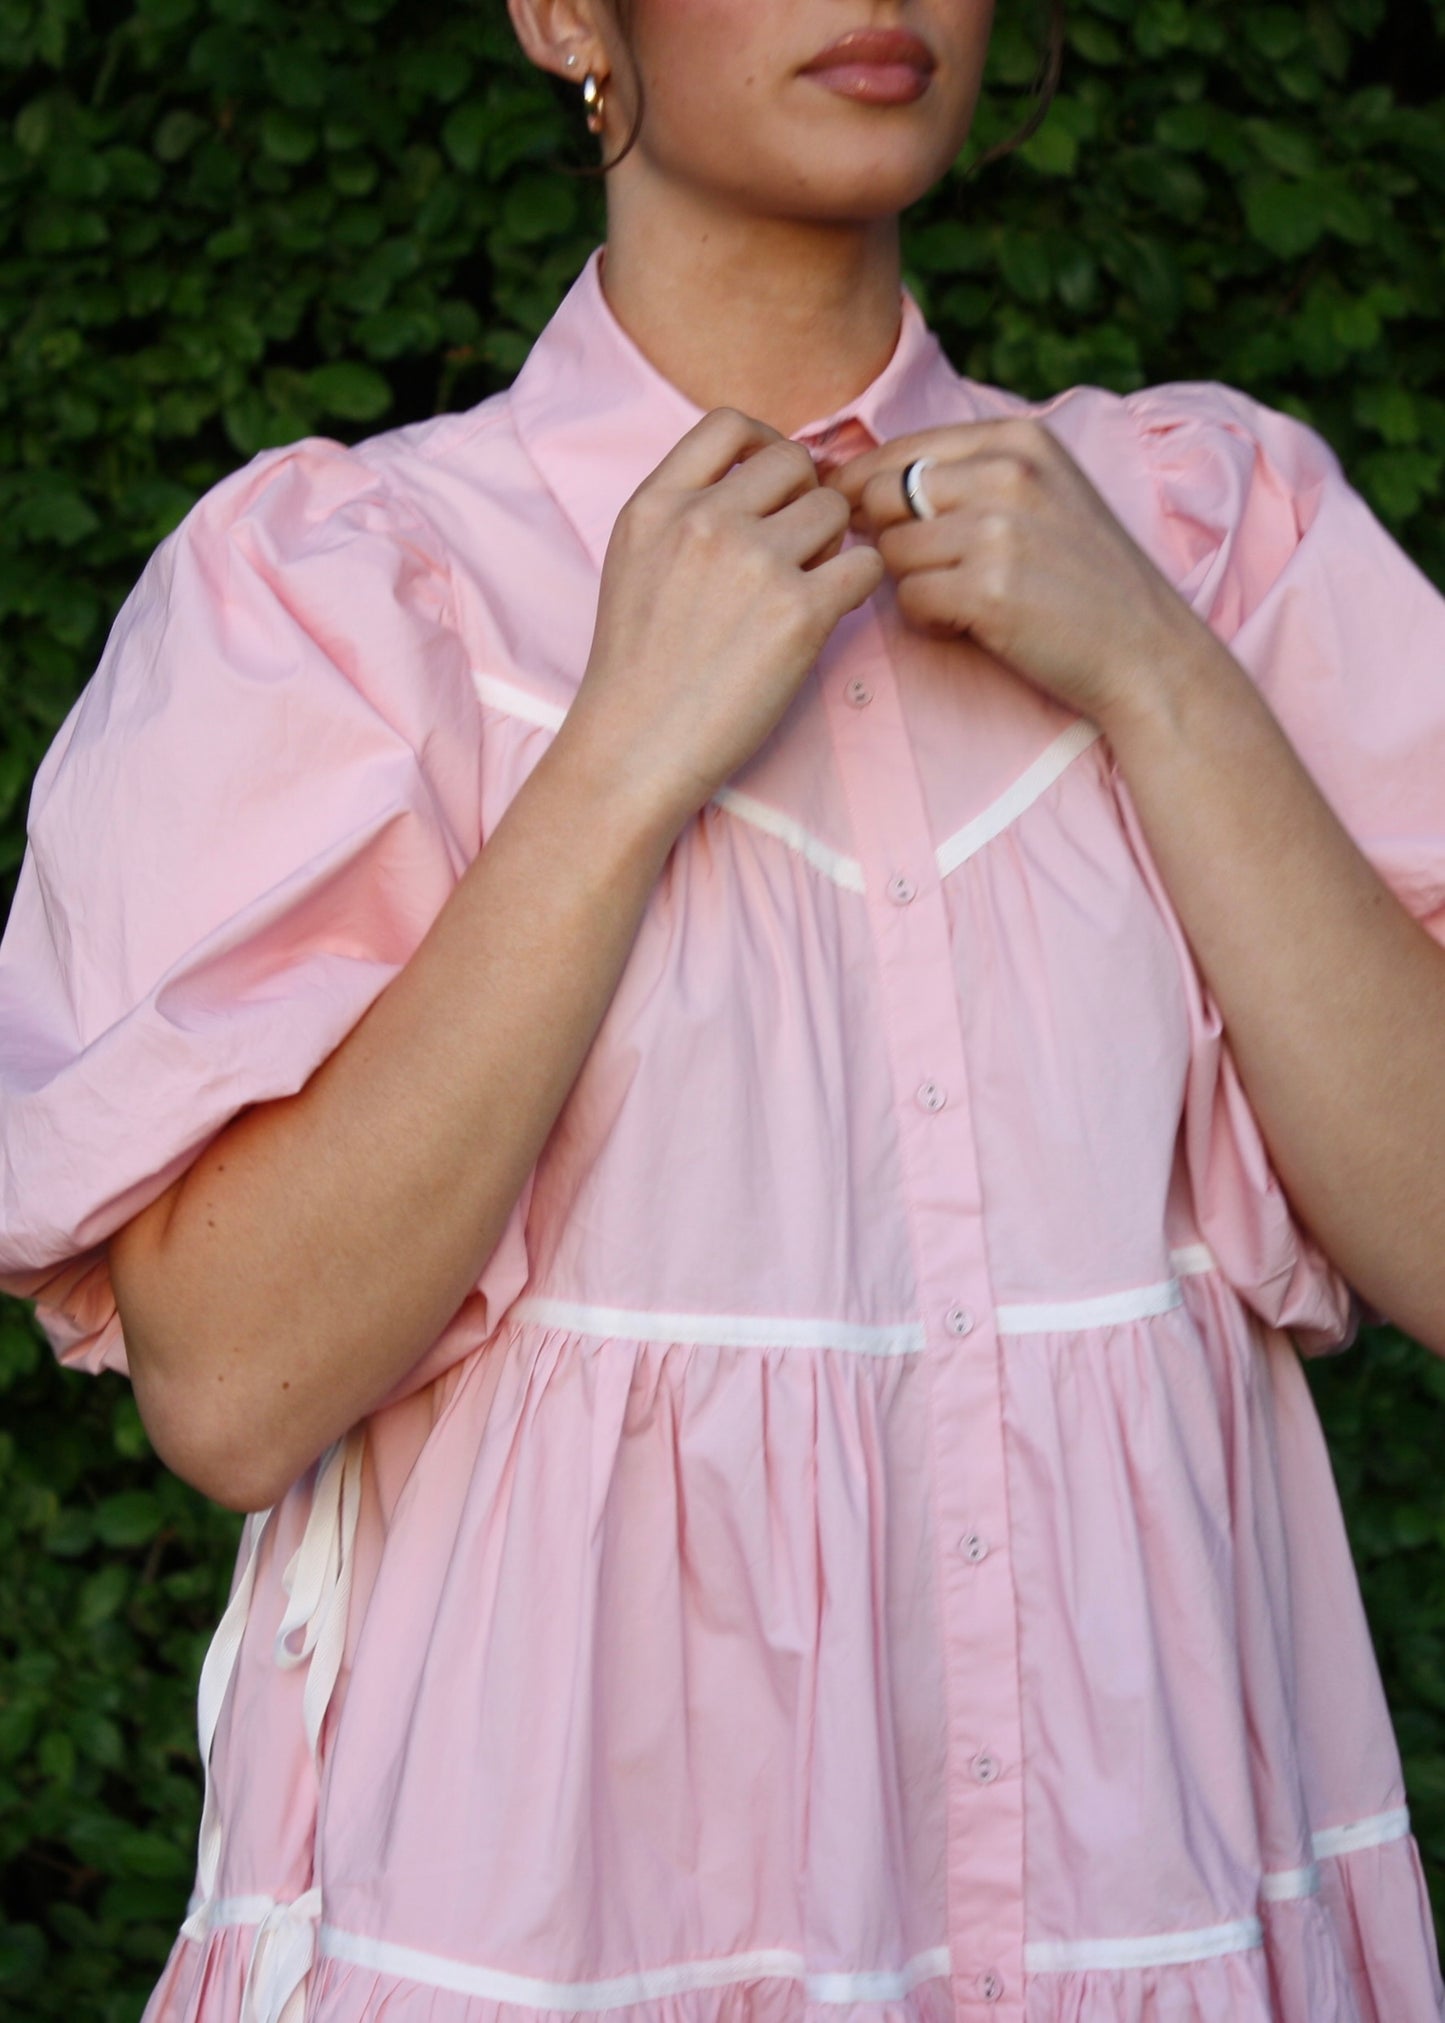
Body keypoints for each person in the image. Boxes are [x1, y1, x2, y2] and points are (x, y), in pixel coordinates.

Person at [3, 0, 1445, 2017]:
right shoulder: (351, 598)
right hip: (543, 1937)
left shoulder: (1209, 535)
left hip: (1154, 1913)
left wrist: (1160, 677)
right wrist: (613, 763)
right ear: (563, 12)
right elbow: (230, 1384)